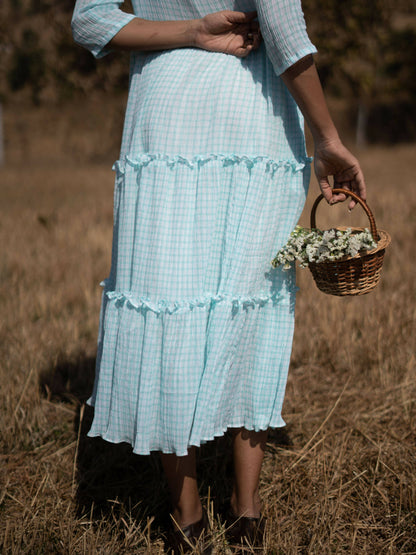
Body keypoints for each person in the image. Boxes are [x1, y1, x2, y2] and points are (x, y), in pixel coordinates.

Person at [72, 1, 366, 552]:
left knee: (167, 303)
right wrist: (325, 135)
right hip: (250, 119)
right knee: (251, 302)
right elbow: (279, 22)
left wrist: (190, 32)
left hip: (164, 116)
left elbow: (89, 19)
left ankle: (187, 521)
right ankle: (246, 512)